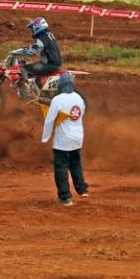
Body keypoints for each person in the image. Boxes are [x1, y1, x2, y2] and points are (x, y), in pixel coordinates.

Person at [41, 72, 88, 207]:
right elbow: (81, 113)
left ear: (60, 85)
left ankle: (65, 197)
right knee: (75, 164)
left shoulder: (57, 100)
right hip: (78, 137)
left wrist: (45, 138)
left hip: (63, 140)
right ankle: (82, 189)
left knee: (61, 167)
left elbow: (49, 120)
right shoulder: (78, 98)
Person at [14, 17, 62, 90]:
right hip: (54, 63)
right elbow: (38, 47)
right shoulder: (48, 34)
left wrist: (17, 52)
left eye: (32, 29)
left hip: (49, 65)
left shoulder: (42, 38)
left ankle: (29, 90)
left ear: (37, 27)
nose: (32, 31)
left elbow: (32, 51)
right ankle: (37, 88)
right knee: (32, 69)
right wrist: (27, 48)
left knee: (24, 69)